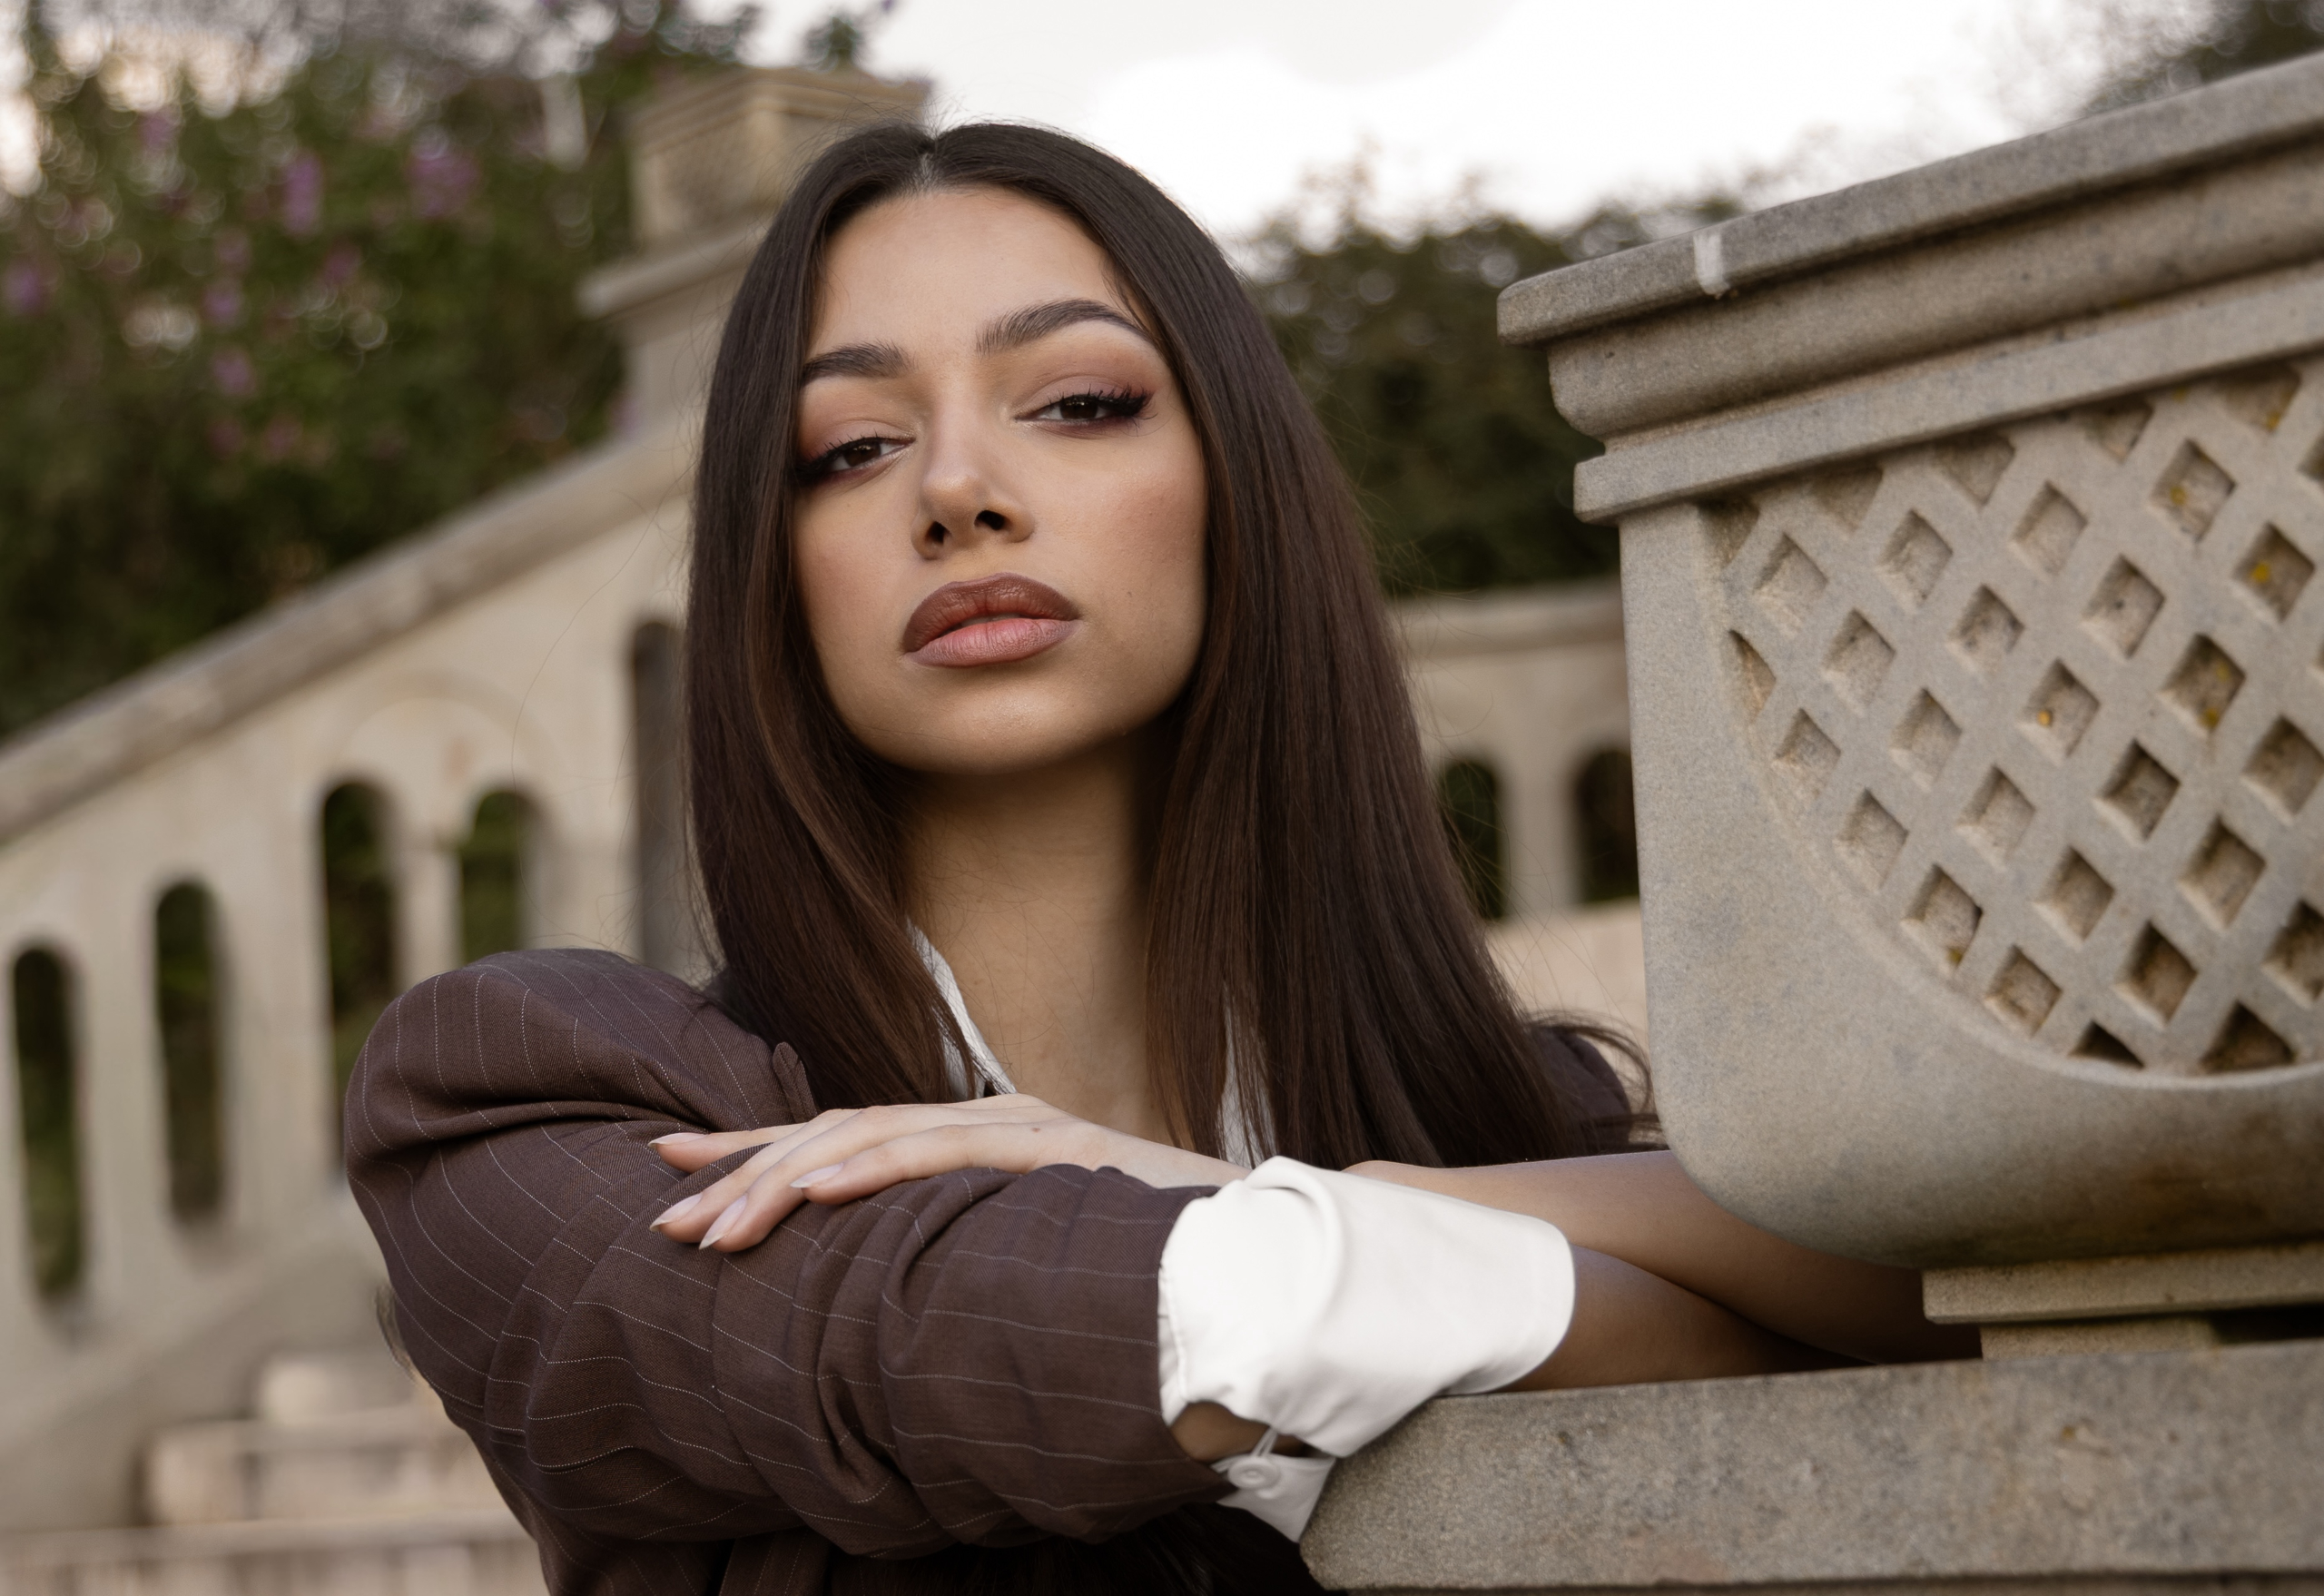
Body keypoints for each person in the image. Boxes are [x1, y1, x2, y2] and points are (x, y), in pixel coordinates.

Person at [348, 120, 1974, 1596]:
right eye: (851, 448)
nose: (963, 492)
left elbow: (1973, 1295)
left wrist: (1321, 1193)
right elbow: (1000, 1342)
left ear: (1232, 485)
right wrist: (1376, 1248)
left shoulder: (1506, 1116)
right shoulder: (557, 1117)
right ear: (772, 568)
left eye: (1078, 404)